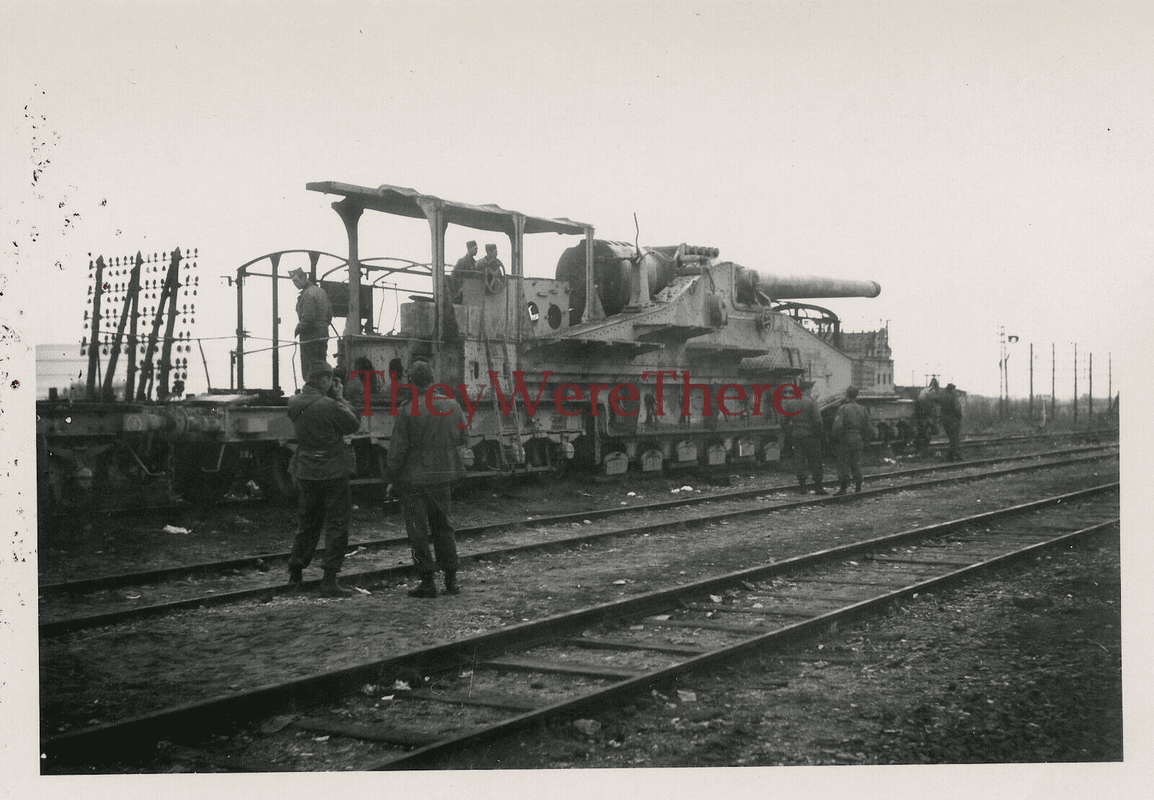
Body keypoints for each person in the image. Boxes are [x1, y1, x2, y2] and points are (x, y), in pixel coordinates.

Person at [386, 361, 469, 598]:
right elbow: (464, 436)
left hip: (413, 479)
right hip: (442, 476)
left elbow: (398, 450)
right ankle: (451, 581)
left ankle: (427, 582)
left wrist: (391, 478)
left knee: (417, 531)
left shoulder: (408, 409)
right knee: (444, 526)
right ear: (433, 379)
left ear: (412, 382)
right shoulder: (452, 405)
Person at [286, 361, 361, 597]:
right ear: (324, 380)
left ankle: (295, 574)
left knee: (307, 522)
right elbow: (353, 423)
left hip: (306, 469)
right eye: (330, 380)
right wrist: (339, 397)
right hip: (332, 471)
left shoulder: (294, 402)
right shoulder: (330, 406)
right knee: (337, 523)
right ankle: (329, 579)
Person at [780, 380, 828, 495]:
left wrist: (789, 431)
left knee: (800, 461)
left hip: (797, 437)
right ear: (806, 389)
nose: (811, 391)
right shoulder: (811, 402)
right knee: (815, 461)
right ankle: (818, 487)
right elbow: (818, 421)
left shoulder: (791, 403)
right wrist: (819, 434)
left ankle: (802, 487)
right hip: (811, 437)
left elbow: (783, 420)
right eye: (810, 389)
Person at [289, 267, 332, 378]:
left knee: (310, 367)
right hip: (322, 334)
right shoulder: (321, 292)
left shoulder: (308, 294)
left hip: (310, 336)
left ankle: (311, 390)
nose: (295, 284)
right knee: (321, 364)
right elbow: (329, 315)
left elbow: (308, 318)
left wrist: (298, 328)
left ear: (304, 278)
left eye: (296, 280)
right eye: (293, 281)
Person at [831, 385, 872, 495]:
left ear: (847, 394)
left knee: (843, 463)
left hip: (845, 439)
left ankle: (843, 489)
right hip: (858, 439)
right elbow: (868, 427)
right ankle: (858, 488)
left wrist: (834, 438)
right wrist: (865, 440)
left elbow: (837, 427)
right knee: (856, 464)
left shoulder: (843, 409)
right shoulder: (863, 409)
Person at [913, 378, 940, 453]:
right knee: (926, 432)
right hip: (927, 415)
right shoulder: (931, 391)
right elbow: (933, 403)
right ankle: (922, 448)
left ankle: (920, 448)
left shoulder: (924, 390)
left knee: (921, 431)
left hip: (920, 414)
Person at [940, 382, 963, 461]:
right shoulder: (953, 398)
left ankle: (952, 455)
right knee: (955, 438)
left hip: (945, 421)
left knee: (952, 438)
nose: (955, 391)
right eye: (954, 389)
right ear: (951, 390)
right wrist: (959, 417)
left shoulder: (943, 397)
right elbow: (957, 409)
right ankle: (954, 455)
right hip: (953, 420)